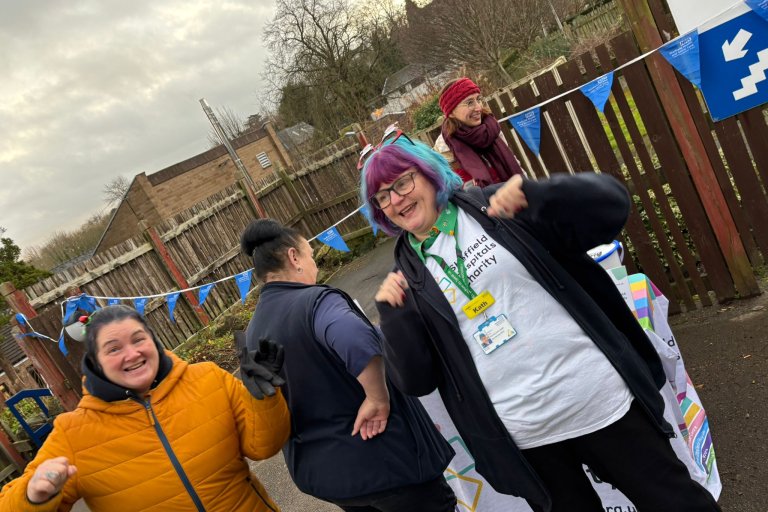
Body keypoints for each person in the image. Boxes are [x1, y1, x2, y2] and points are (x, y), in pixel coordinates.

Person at [360, 136, 722, 512]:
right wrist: (394, 316)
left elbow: (612, 207)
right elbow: (417, 380)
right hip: (526, 436)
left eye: (402, 182)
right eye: (382, 197)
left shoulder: (495, 207)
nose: (395, 200)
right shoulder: (404, 279)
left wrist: (541, 194)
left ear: (430, 173)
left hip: (599, 399)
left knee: (677, 502)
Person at [240, 219, 456, 512]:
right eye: (311, 256)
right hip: (388, 465)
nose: (314, 265)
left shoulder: (253, 330)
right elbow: (355, 339)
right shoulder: (316, 302)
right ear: (294, 257)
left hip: (329, 478)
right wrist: (377, 397)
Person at [0, 305, 290, 512]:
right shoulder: (73, 433)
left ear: (153, 340)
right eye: (113, 349)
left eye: (139, 339)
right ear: (96, 363)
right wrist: (34, 495)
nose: (132, 353)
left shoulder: (208, 378)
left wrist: (263, 398)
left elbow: (264, 448)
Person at [439, 77, 524, 186]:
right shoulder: (445, 149)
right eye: (469, 102)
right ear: (451, 113)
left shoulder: (490, 128)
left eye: (478, 99)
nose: (478, 107)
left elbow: (515, 164)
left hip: (519, 193)